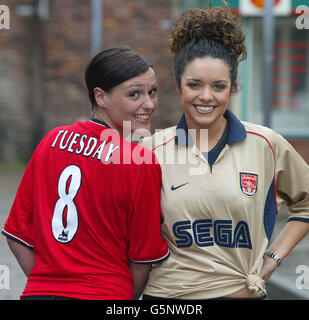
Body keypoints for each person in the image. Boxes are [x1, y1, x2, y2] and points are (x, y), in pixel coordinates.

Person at [140, 4, 309, 299]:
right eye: (194, 85)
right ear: (178, 87)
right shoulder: (150, 150)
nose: (206, 96)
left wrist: (272, 260)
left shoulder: (265, 144)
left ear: (233, 88)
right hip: (168, 298)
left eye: (218, 86)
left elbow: (305, 204)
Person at [2, 46, 169, 300]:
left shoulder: (51, 140)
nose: (149, 104)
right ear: (100, 97)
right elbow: (143, 258)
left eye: (153, 92)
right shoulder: (140, 161)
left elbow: (16, 236)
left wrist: (48, 286)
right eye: (135, 94)